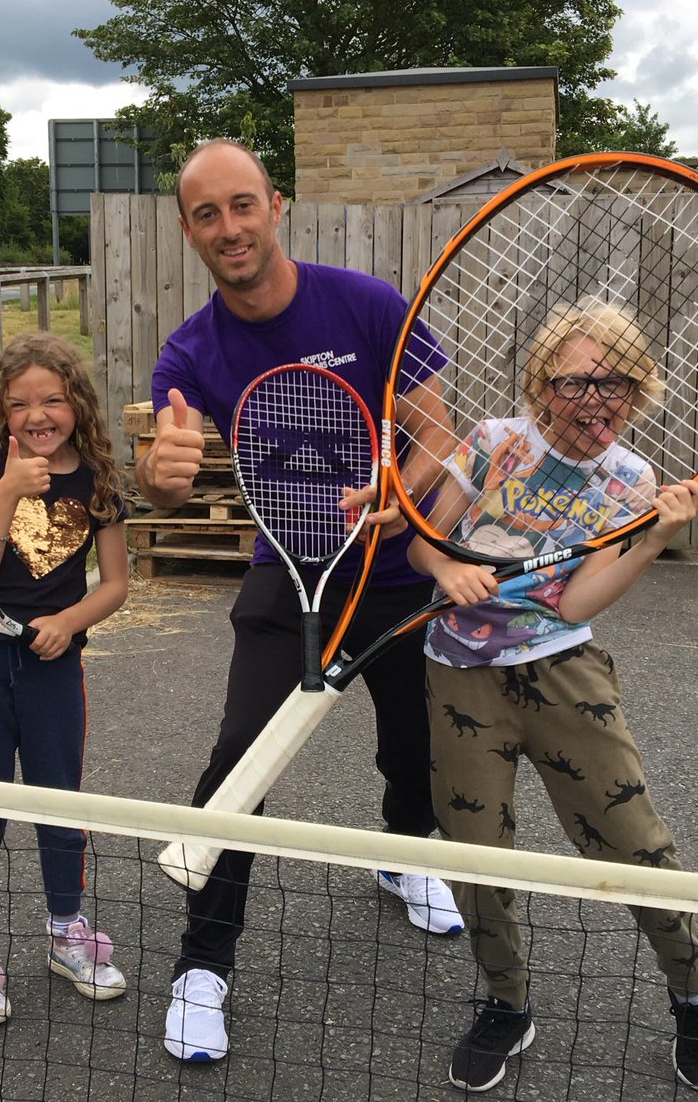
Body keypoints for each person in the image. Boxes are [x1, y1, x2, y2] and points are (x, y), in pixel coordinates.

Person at [137, 137, 464, 1063]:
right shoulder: (191, 350)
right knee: (240, 760)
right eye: (207, 213)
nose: (228, 228)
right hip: (289, 573)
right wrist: (160, 475)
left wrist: (404, 489)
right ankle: (203, 967)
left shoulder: (364, 304)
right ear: (188, 229)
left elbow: (436, 429)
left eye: (241, 205)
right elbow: (168, 465)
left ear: (274, 205)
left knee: (416, 751)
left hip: (394, 573)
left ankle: (402, 854)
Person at [407, 300, 698, 1094]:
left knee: (634, 842)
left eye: (614, 380)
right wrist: (446, 570)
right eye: (575, 380)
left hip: (561, 672)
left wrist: (654, 535)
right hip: (458, 672)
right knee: (471, 851)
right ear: (540, 384)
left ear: (637, 389)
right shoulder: (491, 444)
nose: (595, 397)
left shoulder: (630, 481)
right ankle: (506, 1003)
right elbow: (424, 536)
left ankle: (694, 995)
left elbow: (577, 604)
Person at [0, 332, 130, 1025]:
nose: (37, 414)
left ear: (75, 403)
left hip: (54, 665)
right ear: (3, 408)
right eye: (20, 403)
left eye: (51, 399)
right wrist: (6, 494)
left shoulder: (100, 480)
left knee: (60, 803)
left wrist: (68, 619)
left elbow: (116, 586)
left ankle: (66, 933)